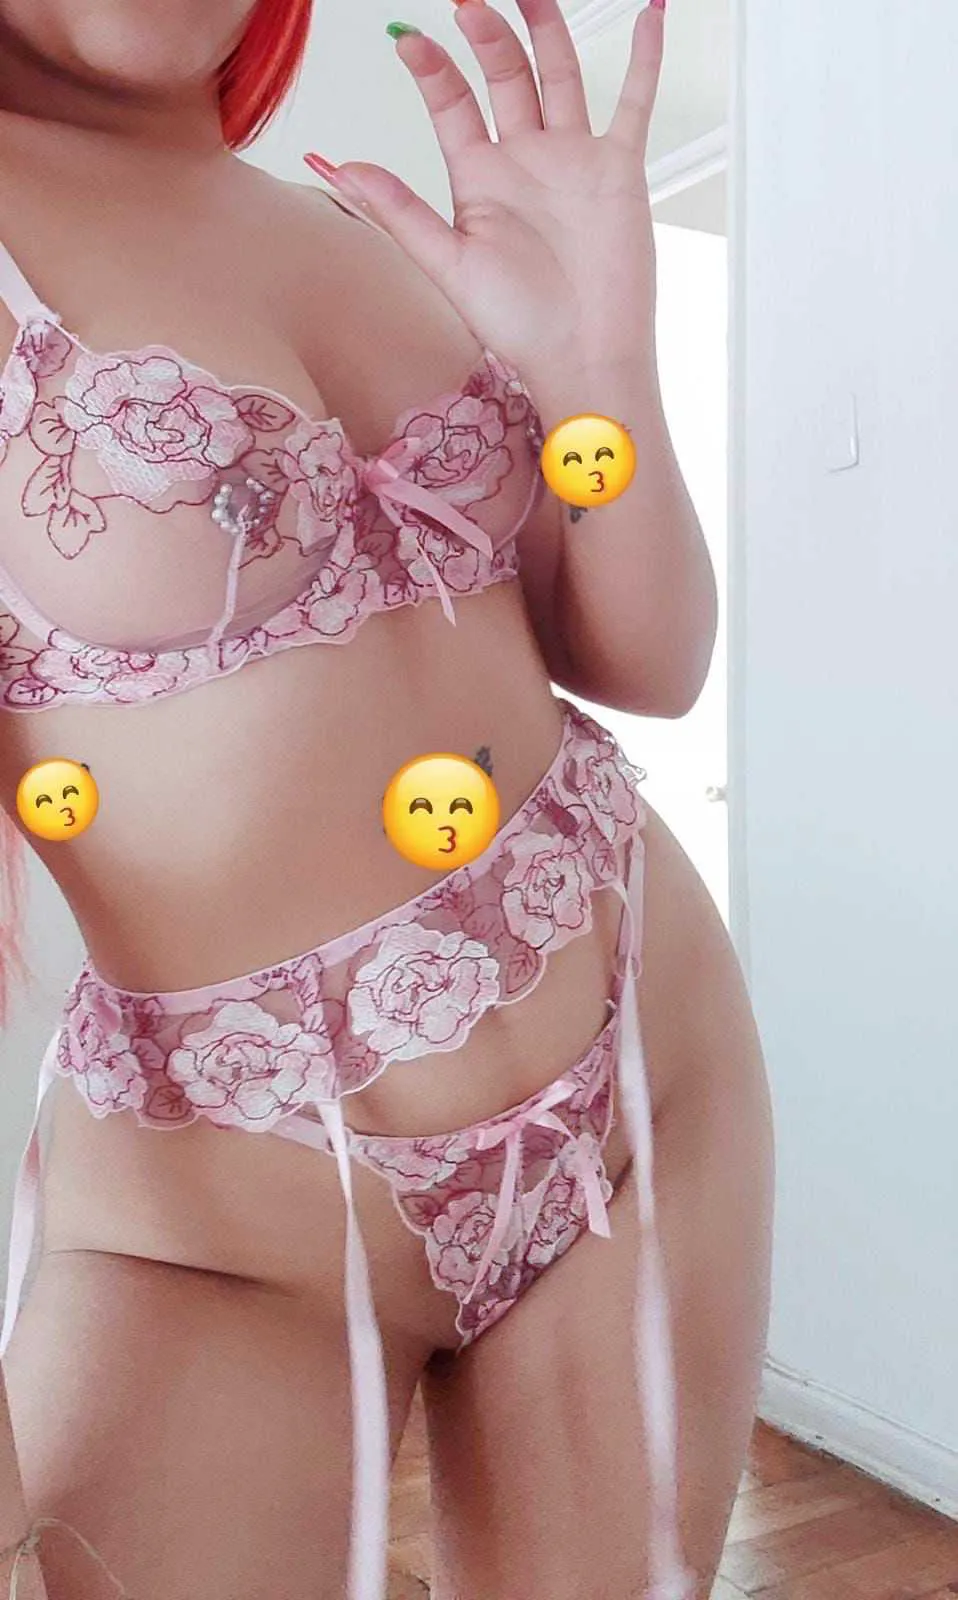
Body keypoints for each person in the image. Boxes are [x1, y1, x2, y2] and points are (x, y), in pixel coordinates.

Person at [0, 1, 774, 1596]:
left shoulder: (357, 226)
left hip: (646, 1062)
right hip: (217, 1231)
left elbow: (646, 663)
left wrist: (597, 364)